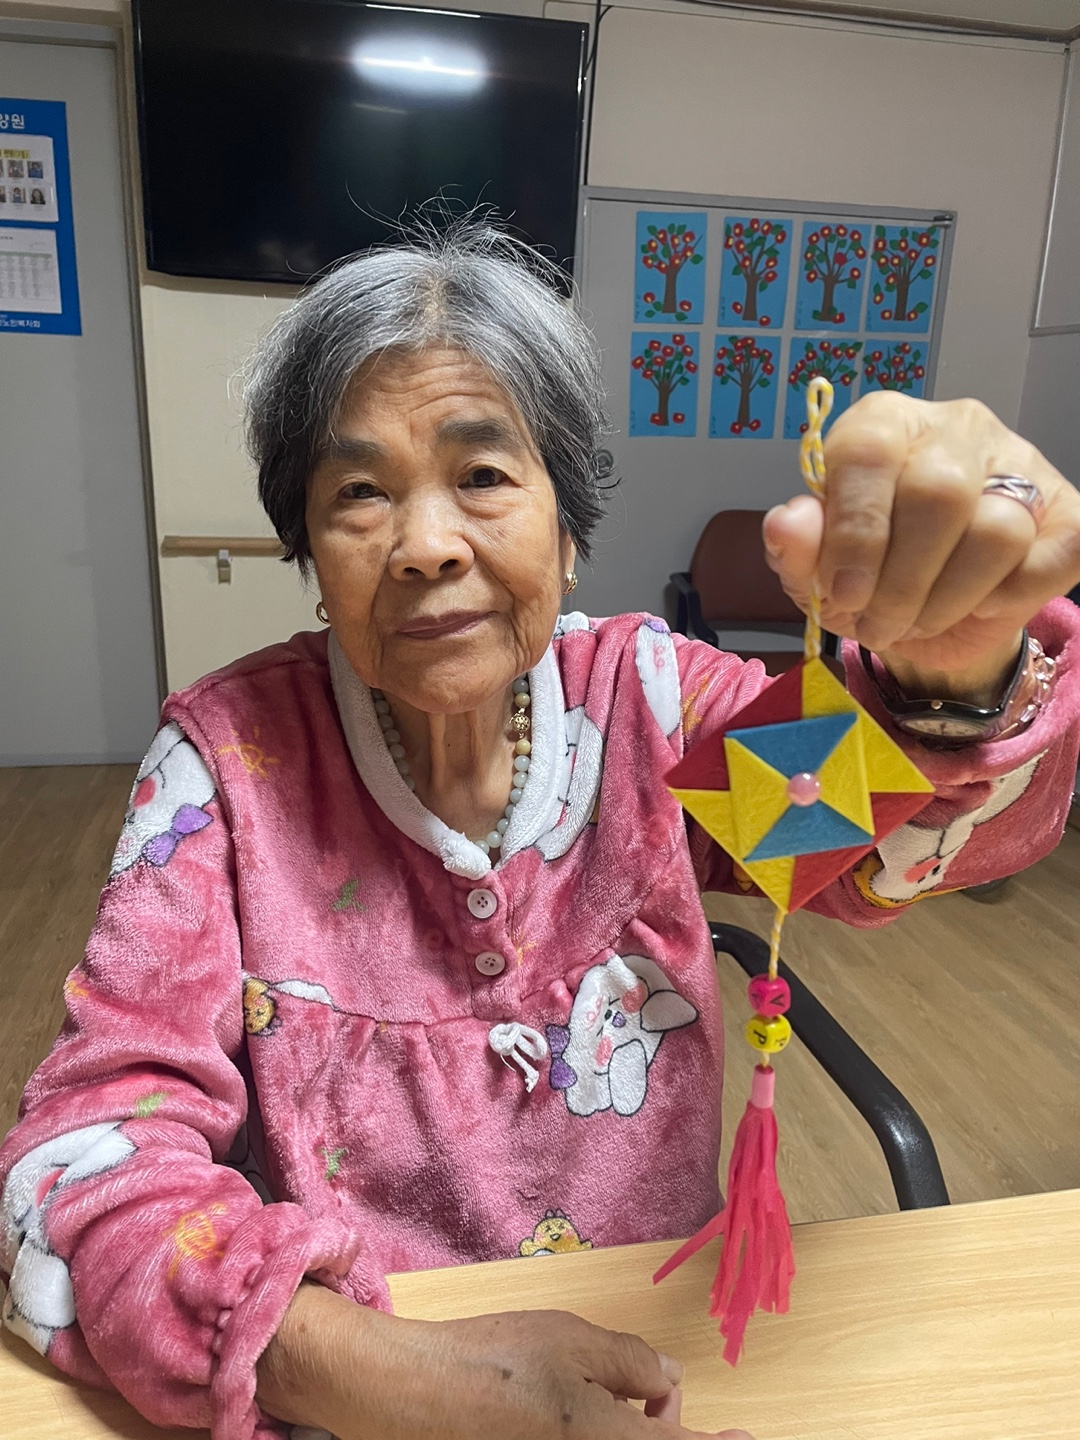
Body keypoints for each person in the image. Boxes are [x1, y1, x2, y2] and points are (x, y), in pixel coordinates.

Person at [1, 225, 1078, 1440]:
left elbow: (887, 839)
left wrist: (957, 675)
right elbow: (81, 1161)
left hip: (657, 1365)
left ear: (569, 531)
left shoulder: (652, 711)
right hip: (357, 1393)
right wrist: (405, 1382)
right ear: (308, 552)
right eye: (359, 492)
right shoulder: (229, 767)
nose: (425, 544)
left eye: (482, 474)